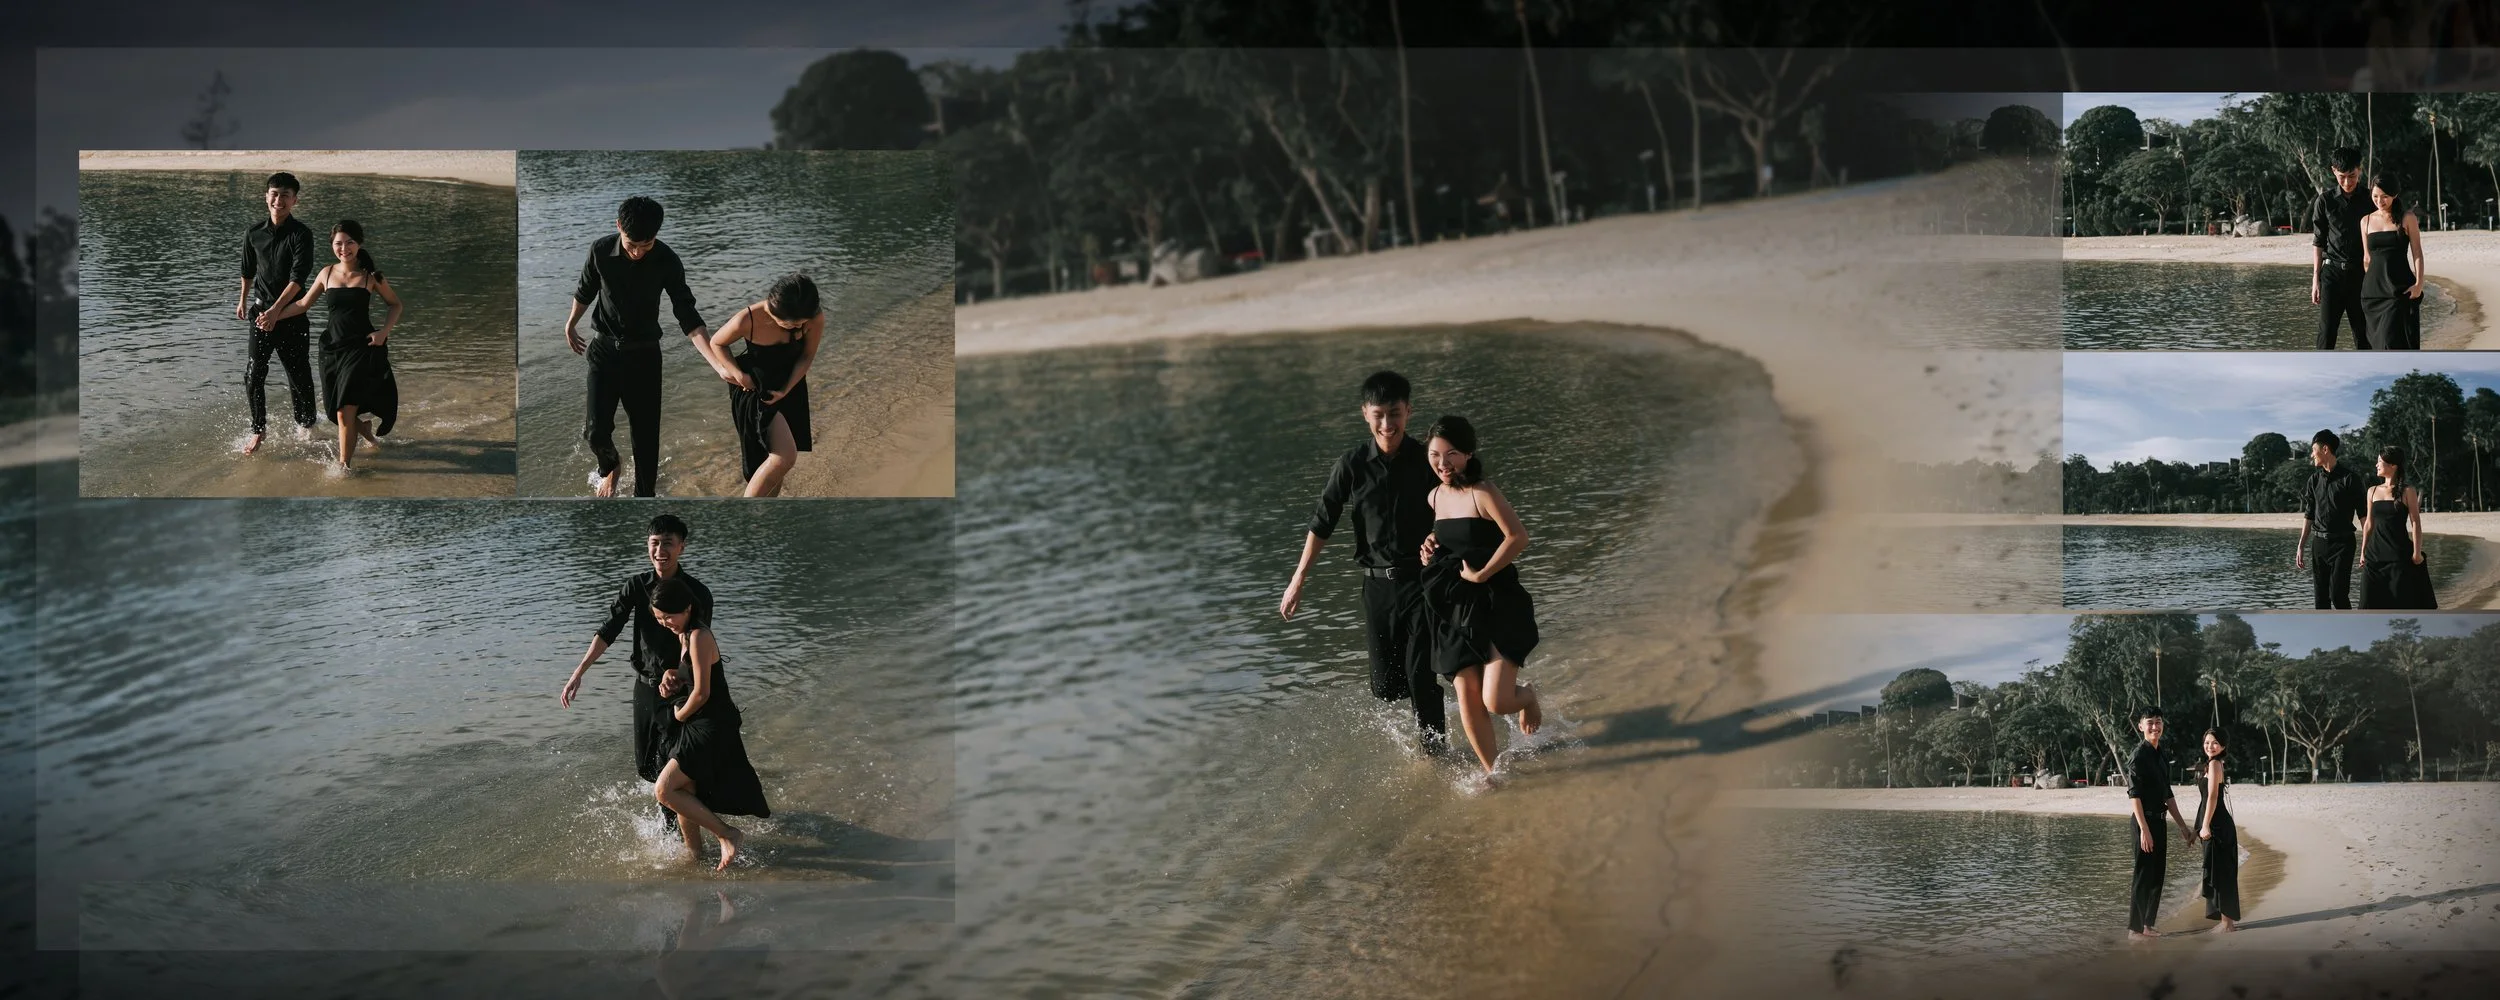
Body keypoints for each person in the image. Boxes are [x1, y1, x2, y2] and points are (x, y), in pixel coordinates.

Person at [1280, 371, 1449, 750]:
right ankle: (1429, 711)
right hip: (1376, 587)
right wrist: (1298, 579)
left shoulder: (1427, 460)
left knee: (1420, 675)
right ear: (1365, 414)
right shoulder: (1352, 464)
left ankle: (1435, 754)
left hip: (1421, 581)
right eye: (1379, 415)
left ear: (1408, 411)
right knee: (1386, 686)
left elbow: (1456, 503)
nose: (1387, 424)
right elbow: (1322, 521)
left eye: (1395, 414)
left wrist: (1438, 535)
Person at [561, 514, 714, 830]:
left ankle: (673, 829)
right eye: (654, 543)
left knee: (672, 762)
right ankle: (681, 811)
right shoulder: (635, 586)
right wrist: (579, 672)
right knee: (646, 767)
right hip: (644, 687)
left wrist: (679, 672)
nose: (660, 551)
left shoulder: (698, 593)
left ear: (681, 547)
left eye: (668, 544)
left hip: (679, 691)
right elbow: (609, 629)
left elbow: (696, 642)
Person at [1416, 416, 1542, 780]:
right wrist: (1429, 544)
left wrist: (1482, 573)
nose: (1443, 463)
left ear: (1468, 454)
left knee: (1497, 701)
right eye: (1435, 455)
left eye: (1452, 454)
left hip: (1497, 601)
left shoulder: (1482, 492)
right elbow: (1450, 536)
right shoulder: (1434, 496)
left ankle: (1528, 695)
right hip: (1454, 606)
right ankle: (1494, 775)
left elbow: (1518, 537)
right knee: (1467, 694)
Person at [564, 196, 710, 497]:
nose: (637, 252)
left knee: (645, 440)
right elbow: (585, 290)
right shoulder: (600, 250)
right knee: (595, 433)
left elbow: (686, 313)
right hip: (603, 352)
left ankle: (645, 498)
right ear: (619, 225)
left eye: (647, 245)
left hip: (645, 356)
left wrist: (715, 360)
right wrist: (571, 324)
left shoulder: (667, 259)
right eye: (632, 244)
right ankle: (611, 467)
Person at [257, 220, 400, 471]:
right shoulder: (326, 273)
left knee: (344, 411)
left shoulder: (371, 276)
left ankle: (343, 467)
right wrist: (274, 315)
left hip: (361, 348)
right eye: (338, 244)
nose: (344, 249)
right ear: (332, 246)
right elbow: (303, 304)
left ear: (359, 243)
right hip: (332, 348)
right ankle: (364, 430)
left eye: (349, 243)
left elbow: (395, 305)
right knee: (337, 410)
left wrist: (383, 332)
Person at [650, 574, 771, 870]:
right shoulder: (684, 634)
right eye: (659, 618)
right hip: (699, 720)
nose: (665, 623)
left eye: (669, 616)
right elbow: (690, 674)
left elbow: (703, 692)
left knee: (664, 790)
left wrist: (679, 715)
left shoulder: (699, 636)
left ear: (687, 608)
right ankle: (695, 858)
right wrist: (671, 676)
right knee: (685, 791)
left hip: (712, 722)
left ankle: (727, 834)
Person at [705, 273, 823, 497]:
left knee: (777, 468)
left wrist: (786, 390)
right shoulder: (748, 318)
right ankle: (746, 514)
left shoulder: (812, 316)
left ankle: (766, 513)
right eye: (792, 323)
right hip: (756, 390)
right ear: (773, 309)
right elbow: (717, 343)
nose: (798, 327)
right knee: (784, 457)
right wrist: (739, 375)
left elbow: (807, 356)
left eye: (801, 322)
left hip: (790, 387)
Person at [236, 171, 319, 454]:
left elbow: (298, 279)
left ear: (295, 200)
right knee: (253, 373)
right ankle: (258, 430)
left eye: (285, 195)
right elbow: (247, 270)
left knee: (298, 374)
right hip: (260, 314)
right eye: (274, 194)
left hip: (292, 316)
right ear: (266, 197)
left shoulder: (301, 234)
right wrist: (243, 300)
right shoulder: (253, 233)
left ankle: (306, 427)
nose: (278, 200)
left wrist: (275, 311)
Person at [2125, 706, 2196, 941]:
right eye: (2150, 722)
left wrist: (2183, 826)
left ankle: (2147, 925)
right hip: (2143, 822)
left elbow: (2167, 794)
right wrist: (2144, 830)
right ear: (2141, 726)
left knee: (2157, 875)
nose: (2155, 726)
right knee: (2143, 875)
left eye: (2158, 722)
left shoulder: (2161, 755)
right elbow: (2134, 795)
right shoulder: (2138, 756)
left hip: (2160, 821)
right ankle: (2134, 930)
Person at [2359, 445, 2440, 609]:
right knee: (2367, 604)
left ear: (2393, 465)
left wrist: (2416, 552)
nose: (2376, 465)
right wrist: (2362, 551)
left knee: (2399, 604)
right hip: (2374, 557)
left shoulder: (2408, 491)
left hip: (2398, 556)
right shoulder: (2372, 491)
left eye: (2380, 461)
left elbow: (2415, 522)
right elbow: (2368, 523)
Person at [2294, 429, 2367, 609]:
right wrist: (2301, 545)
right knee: (2321, 599)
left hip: (2343, 544)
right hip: (2319, 544)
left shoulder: (2350, 479)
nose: (2312, 455)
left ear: (2325, 449)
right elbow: (2309, 515)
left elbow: (2364, 517)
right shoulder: (2313, 480)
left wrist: (2365, 549)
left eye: (2314, 450)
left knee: (2338, 595)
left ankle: (2347, 625)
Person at [2310, 147, 2374, 350]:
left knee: (2363, 334)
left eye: (2352, 176)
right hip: (2332, 274)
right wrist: (2315, 279)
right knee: (2326, 333)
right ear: (2333, 171)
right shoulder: (2324, 201)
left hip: (2361, 275)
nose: (2347, 182)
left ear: (2360, 170)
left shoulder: (2370, 199)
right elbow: (2319, 242)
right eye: (2342, 177)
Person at [2359, 176, 2427, 350]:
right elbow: (2367, 259)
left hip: (2399, 290)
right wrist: (2371, 285)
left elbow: (2417, 253)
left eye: (2384, 196)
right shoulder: (2365, 221)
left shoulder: (2408, 217)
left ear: (2394, 194)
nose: (2379, 201)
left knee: (2395, 342)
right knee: (2378, 345)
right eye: (2375, 196)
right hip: (2373, 294)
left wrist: (2419, 284)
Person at [2194, 728, 2240, 932]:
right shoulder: (2211, 764)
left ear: (2223, 746)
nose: (2209, 746)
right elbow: (2205, 800)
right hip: (2214, 822)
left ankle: (2227, 924)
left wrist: (2205, 826)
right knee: (2219, 871)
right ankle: (2225, 921)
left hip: (2218, 825)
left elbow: (2212, 797)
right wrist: (2198, 828)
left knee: (2221, 873)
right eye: (2206, 742)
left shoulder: (2214, 764)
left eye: (2214, 743)